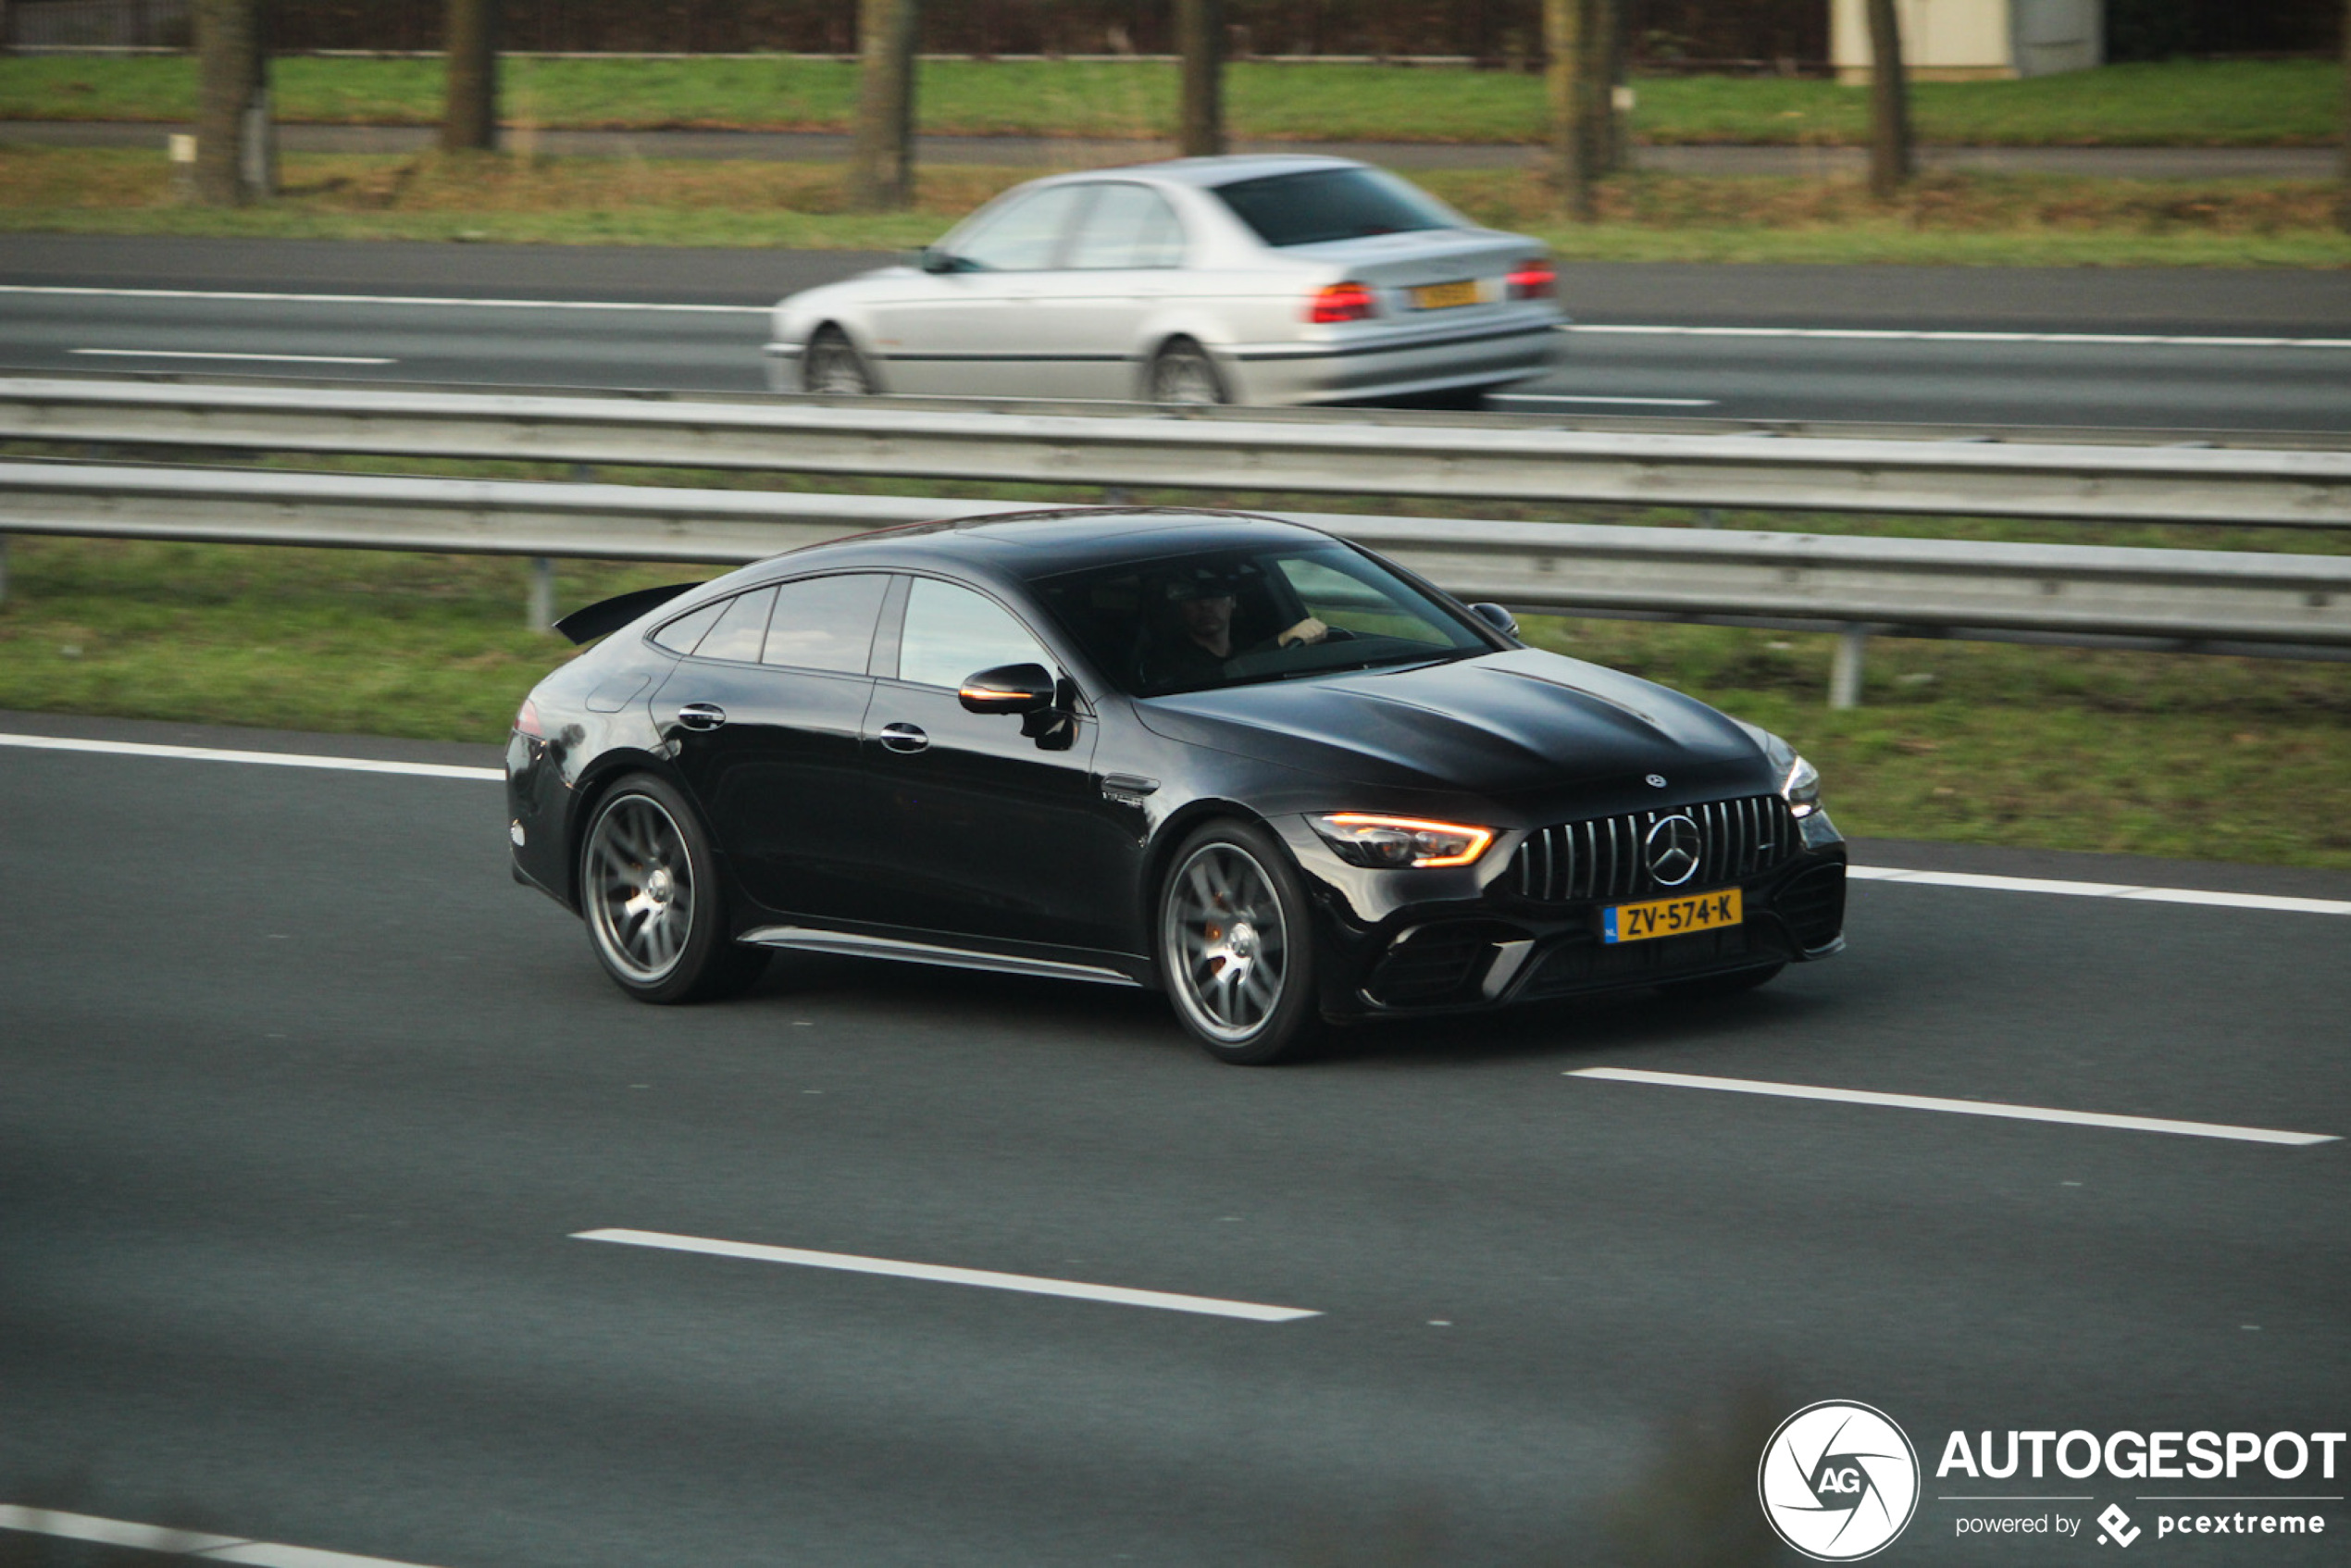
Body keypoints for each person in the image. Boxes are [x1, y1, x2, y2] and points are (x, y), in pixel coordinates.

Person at [1139, 565, 1329, 689]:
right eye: (1193, 598)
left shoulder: (1249, 641)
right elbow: (1214, 679)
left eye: (1215, 595)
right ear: (1181, 607)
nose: (1205, 605)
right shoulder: (1167, 658)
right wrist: (1279, 642)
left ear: (1233, 601)